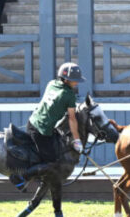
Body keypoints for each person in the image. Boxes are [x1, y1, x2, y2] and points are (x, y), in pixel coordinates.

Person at [9, 62, 85, 191]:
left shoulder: (51, 84)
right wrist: (77, 140)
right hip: (41, 131)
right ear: (66, 80)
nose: (76, 83)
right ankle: (21, 177)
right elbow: (72, 118)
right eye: (74, 81)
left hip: (32, 122)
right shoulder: (69, 95)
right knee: (52, 163)